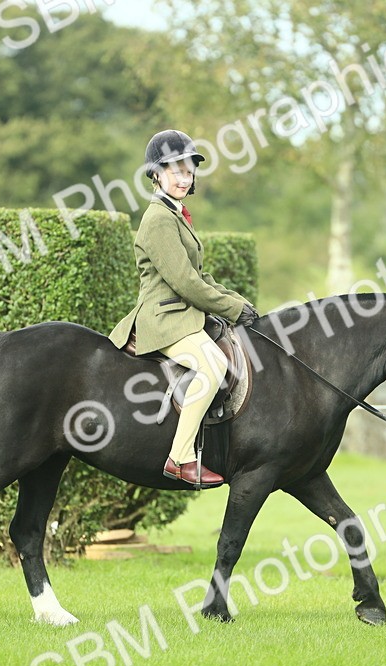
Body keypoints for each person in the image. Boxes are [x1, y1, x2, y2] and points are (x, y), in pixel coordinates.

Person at [108, 129, 256, 487]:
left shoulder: (175, 215)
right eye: (175, 171)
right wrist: (232, 310)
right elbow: (185, 283)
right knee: (214, 364)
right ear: (156, 174)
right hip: (165, 318)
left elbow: (201, 277)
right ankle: (180, 457)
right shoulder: (158, 219)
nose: (184, 178)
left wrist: (239, 302)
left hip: (181, 315)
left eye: (189, 171)